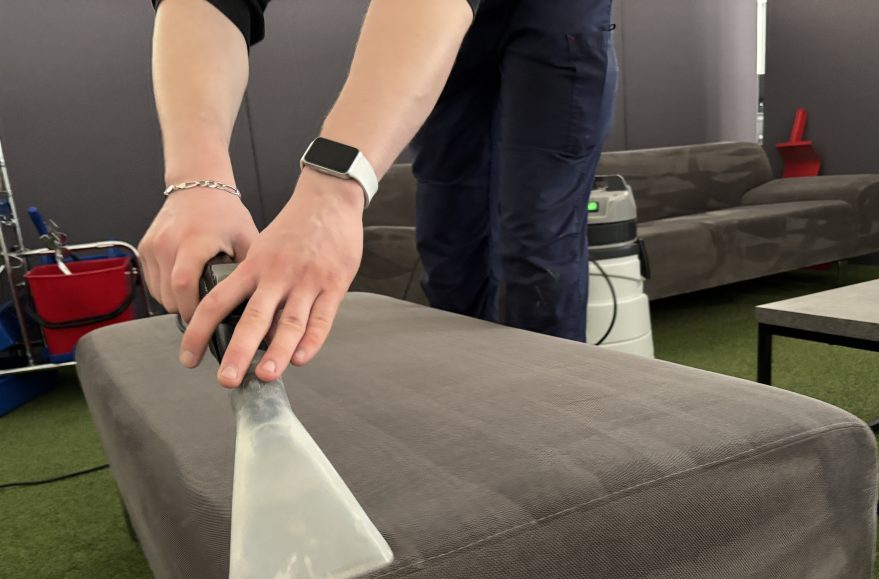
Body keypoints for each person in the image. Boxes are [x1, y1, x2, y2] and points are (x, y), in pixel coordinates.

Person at [141, 0, 618, 388]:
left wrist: (331, 192)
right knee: (449, 247)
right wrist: (197, 182)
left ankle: (552, 422)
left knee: (535, 249)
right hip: (449, 33)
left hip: (555, 20)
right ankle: (473, 404)